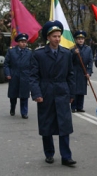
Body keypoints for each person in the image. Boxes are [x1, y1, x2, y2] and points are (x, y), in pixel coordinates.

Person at [29, 20, 77, 166]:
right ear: (48, 38)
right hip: (46, 92)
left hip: (62, 92)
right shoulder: (39, 55)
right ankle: (49, 153)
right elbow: (33, 76)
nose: (57, 38)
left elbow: (71, 75)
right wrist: (37, 94)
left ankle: (66, 156)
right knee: (47, 125)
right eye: (54, 36)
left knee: (64, 126)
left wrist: (71, 94)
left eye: (59, 36)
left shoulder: (66, 54)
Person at [3, 33, 32, 119]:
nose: (24, 43)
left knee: (24, 96)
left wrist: (31, 75)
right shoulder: (11, 51)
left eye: (25, 42)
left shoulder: (29, 53)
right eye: (22, 42)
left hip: (25, 76)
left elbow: (33, 65)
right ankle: (12, 108)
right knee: (13, 95)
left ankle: (24, 112)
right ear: (18, 43)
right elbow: (6, 64)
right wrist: (8, 73)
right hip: (14, 76)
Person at [71, 30, 93, 113]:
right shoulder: (73, 48)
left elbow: (90, 61)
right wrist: (74, 54)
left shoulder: (88, 49)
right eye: (79, 39)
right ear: (76, 40)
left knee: (82, 90)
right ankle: (73, 106)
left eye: (82, 39)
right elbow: (69, 60)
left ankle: (80, 106)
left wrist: (89, 72)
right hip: (74, 71)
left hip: (83, 71)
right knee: (74, 89)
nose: (80, 40)